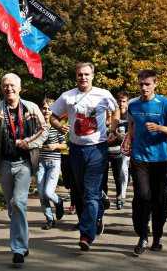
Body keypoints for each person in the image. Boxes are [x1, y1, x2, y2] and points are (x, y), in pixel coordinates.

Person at [0, 73, 48, 265]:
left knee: (18, 202)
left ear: (20, 88)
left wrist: (29, 143)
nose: (9, 89)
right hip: (5, 163)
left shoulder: (31, 108)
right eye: (5, 86)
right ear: (2, 88)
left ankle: (18, 249)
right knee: (11, 205)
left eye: (13, 85)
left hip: (24, 163)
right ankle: (22, 238)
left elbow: (44, 130)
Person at [50, 62, 119, 251]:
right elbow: (53, 116)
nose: (83, 77)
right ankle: (94, 216)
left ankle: (86, 235)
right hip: (76, 150)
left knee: (89, 192)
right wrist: (59, 126)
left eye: (87, 74)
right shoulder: (67, 96)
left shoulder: (103, 94)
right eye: (80, 74)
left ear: (93, 75)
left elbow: (116, 110)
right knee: (80, 192)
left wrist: (113, 128)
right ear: (76, 76)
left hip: (97, 149)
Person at [125, 69, 167, 255]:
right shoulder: (133, 105)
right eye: (141, 84)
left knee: (159, 201)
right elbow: (132, 126)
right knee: (143, 196)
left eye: (147, 84)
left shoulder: (165, 104)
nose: (144, 87)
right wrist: (128, 141)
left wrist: (160, 128)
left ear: (155, 84)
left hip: (161, 159)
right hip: (140, 158)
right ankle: (142, 236)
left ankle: (157, 237)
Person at [37, 98, 66, 230]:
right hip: (40, 162)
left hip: (54, 161)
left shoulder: (58, 125)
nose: (47, 111)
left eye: (49, 108)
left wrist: (55, 145)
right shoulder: (37, 125)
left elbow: (66, 144)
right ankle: (49, 219)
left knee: (48, 192)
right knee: (41, 194)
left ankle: (59, 202)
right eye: (44, 108)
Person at [102, 91, 130, 210]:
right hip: (105, 150)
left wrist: (117, 135)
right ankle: (105, 198)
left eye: (124, 101)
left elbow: (126, 136)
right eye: (119, 101)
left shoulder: (129, 117)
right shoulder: (107, 116)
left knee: (119, 175)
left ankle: (120, 197)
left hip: (120, 151)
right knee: (103, 177)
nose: (121, 104)